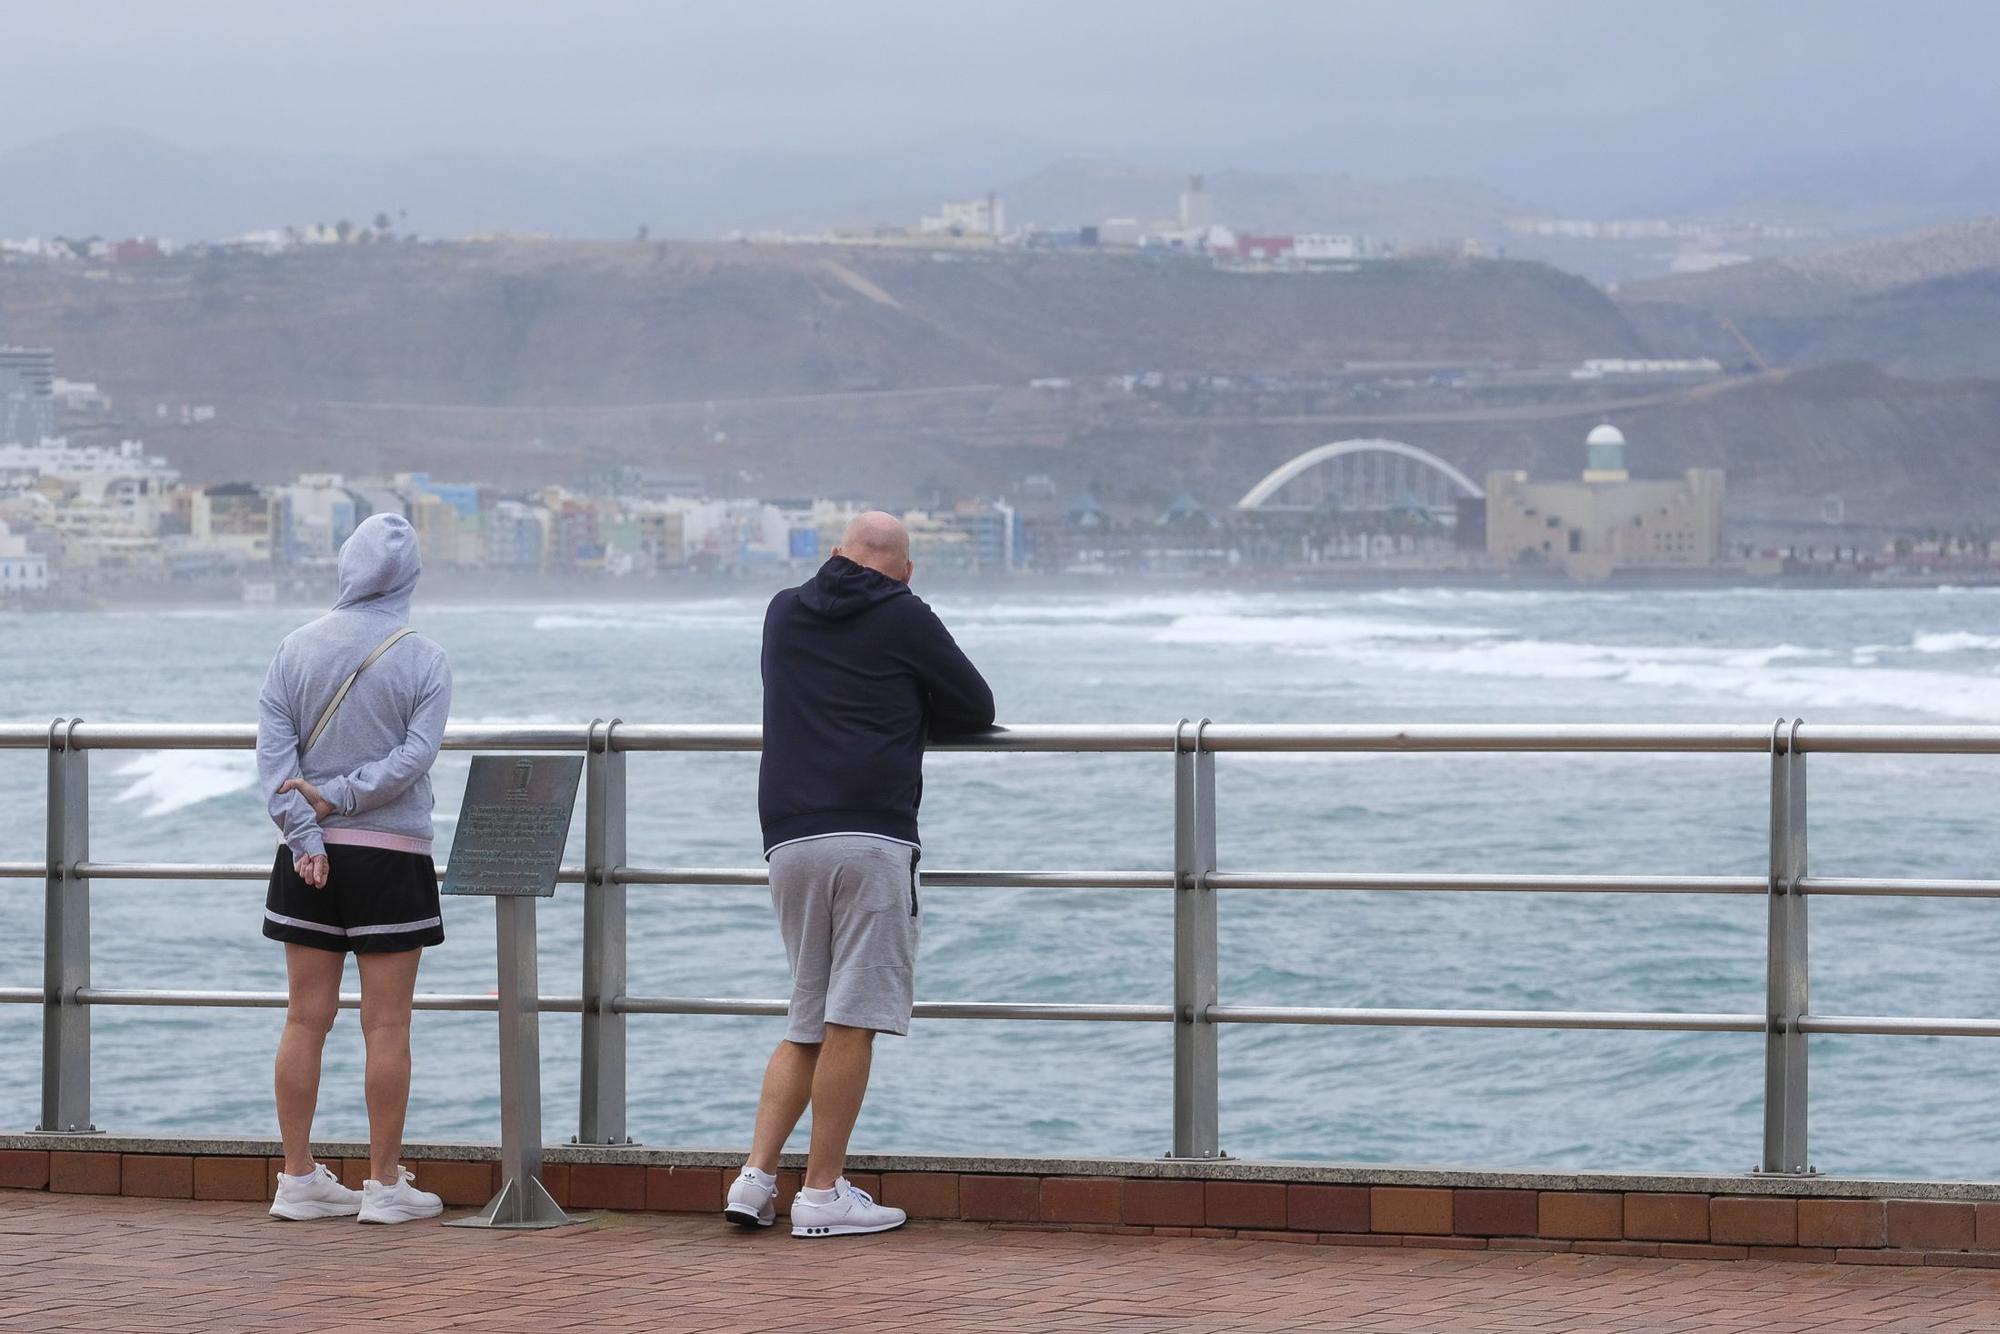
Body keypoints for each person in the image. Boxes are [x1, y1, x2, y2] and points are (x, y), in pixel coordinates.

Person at [725, 511, 996, 1238]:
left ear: (834, 555)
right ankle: (820, 1193)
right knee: (853, 1021)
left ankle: (756, 1178)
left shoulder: (784, 611)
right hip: (870, 834)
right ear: (905, 570)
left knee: (806, 1018)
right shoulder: (906, 615)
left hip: (788, 837)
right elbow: (976, 707)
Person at [255, 513, 453, 1225]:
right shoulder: (423, 657)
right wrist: (343, 797)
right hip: (392, 857)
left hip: (307, 859)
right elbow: (413, 761)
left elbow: (276, 771)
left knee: (304, 1020)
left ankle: (299, 1178)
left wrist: (308, 834)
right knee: (387, 1025)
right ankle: (384, 1185)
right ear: (409, 577)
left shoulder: (294, 650)